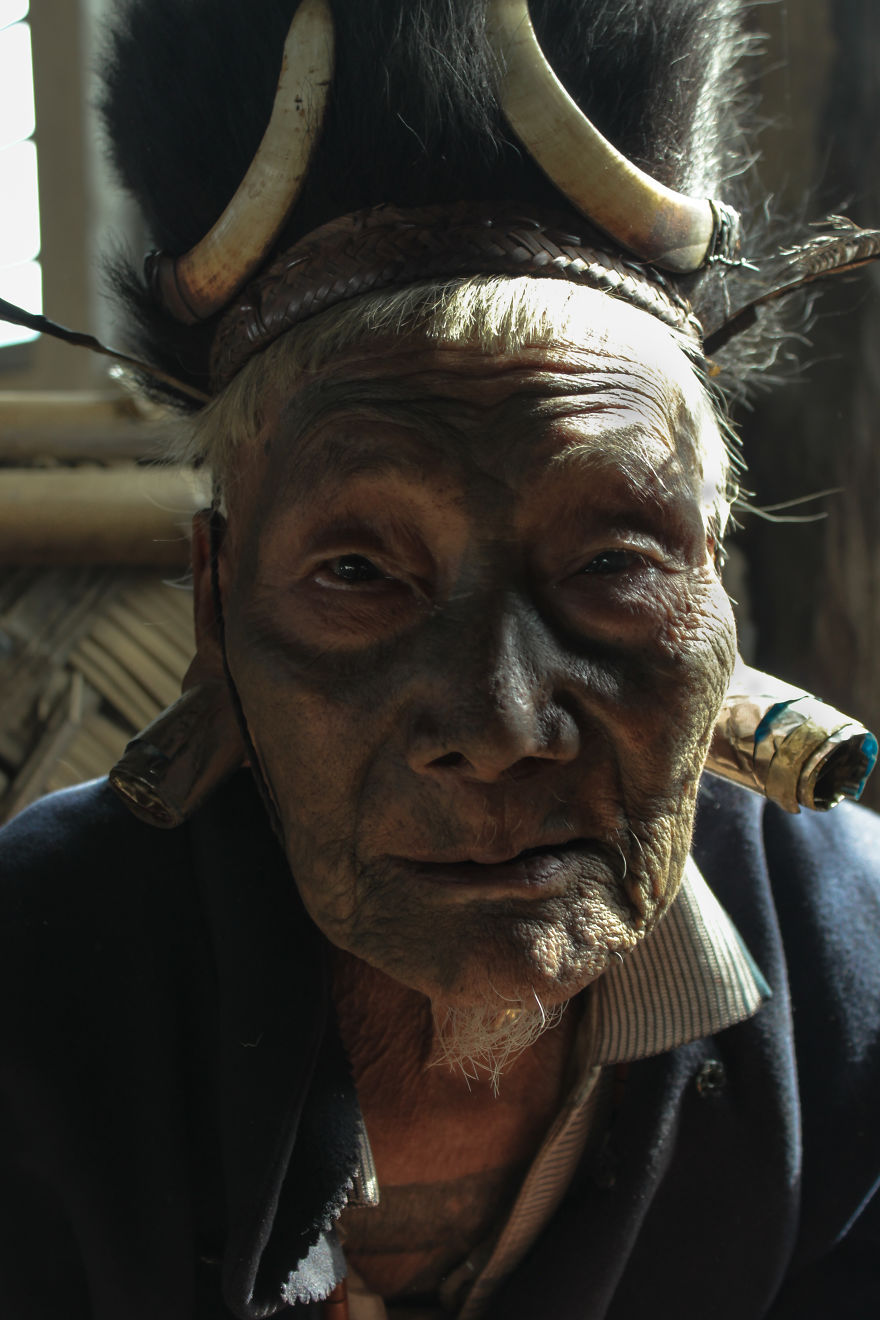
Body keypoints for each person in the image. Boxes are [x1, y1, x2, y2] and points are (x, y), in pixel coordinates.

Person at [1, 2, 879, 1317]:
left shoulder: (847, 976)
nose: (499, 719)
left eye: (611, 565)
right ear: (215, 609)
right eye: (360, 573)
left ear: (719, 584)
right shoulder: (36, 999)